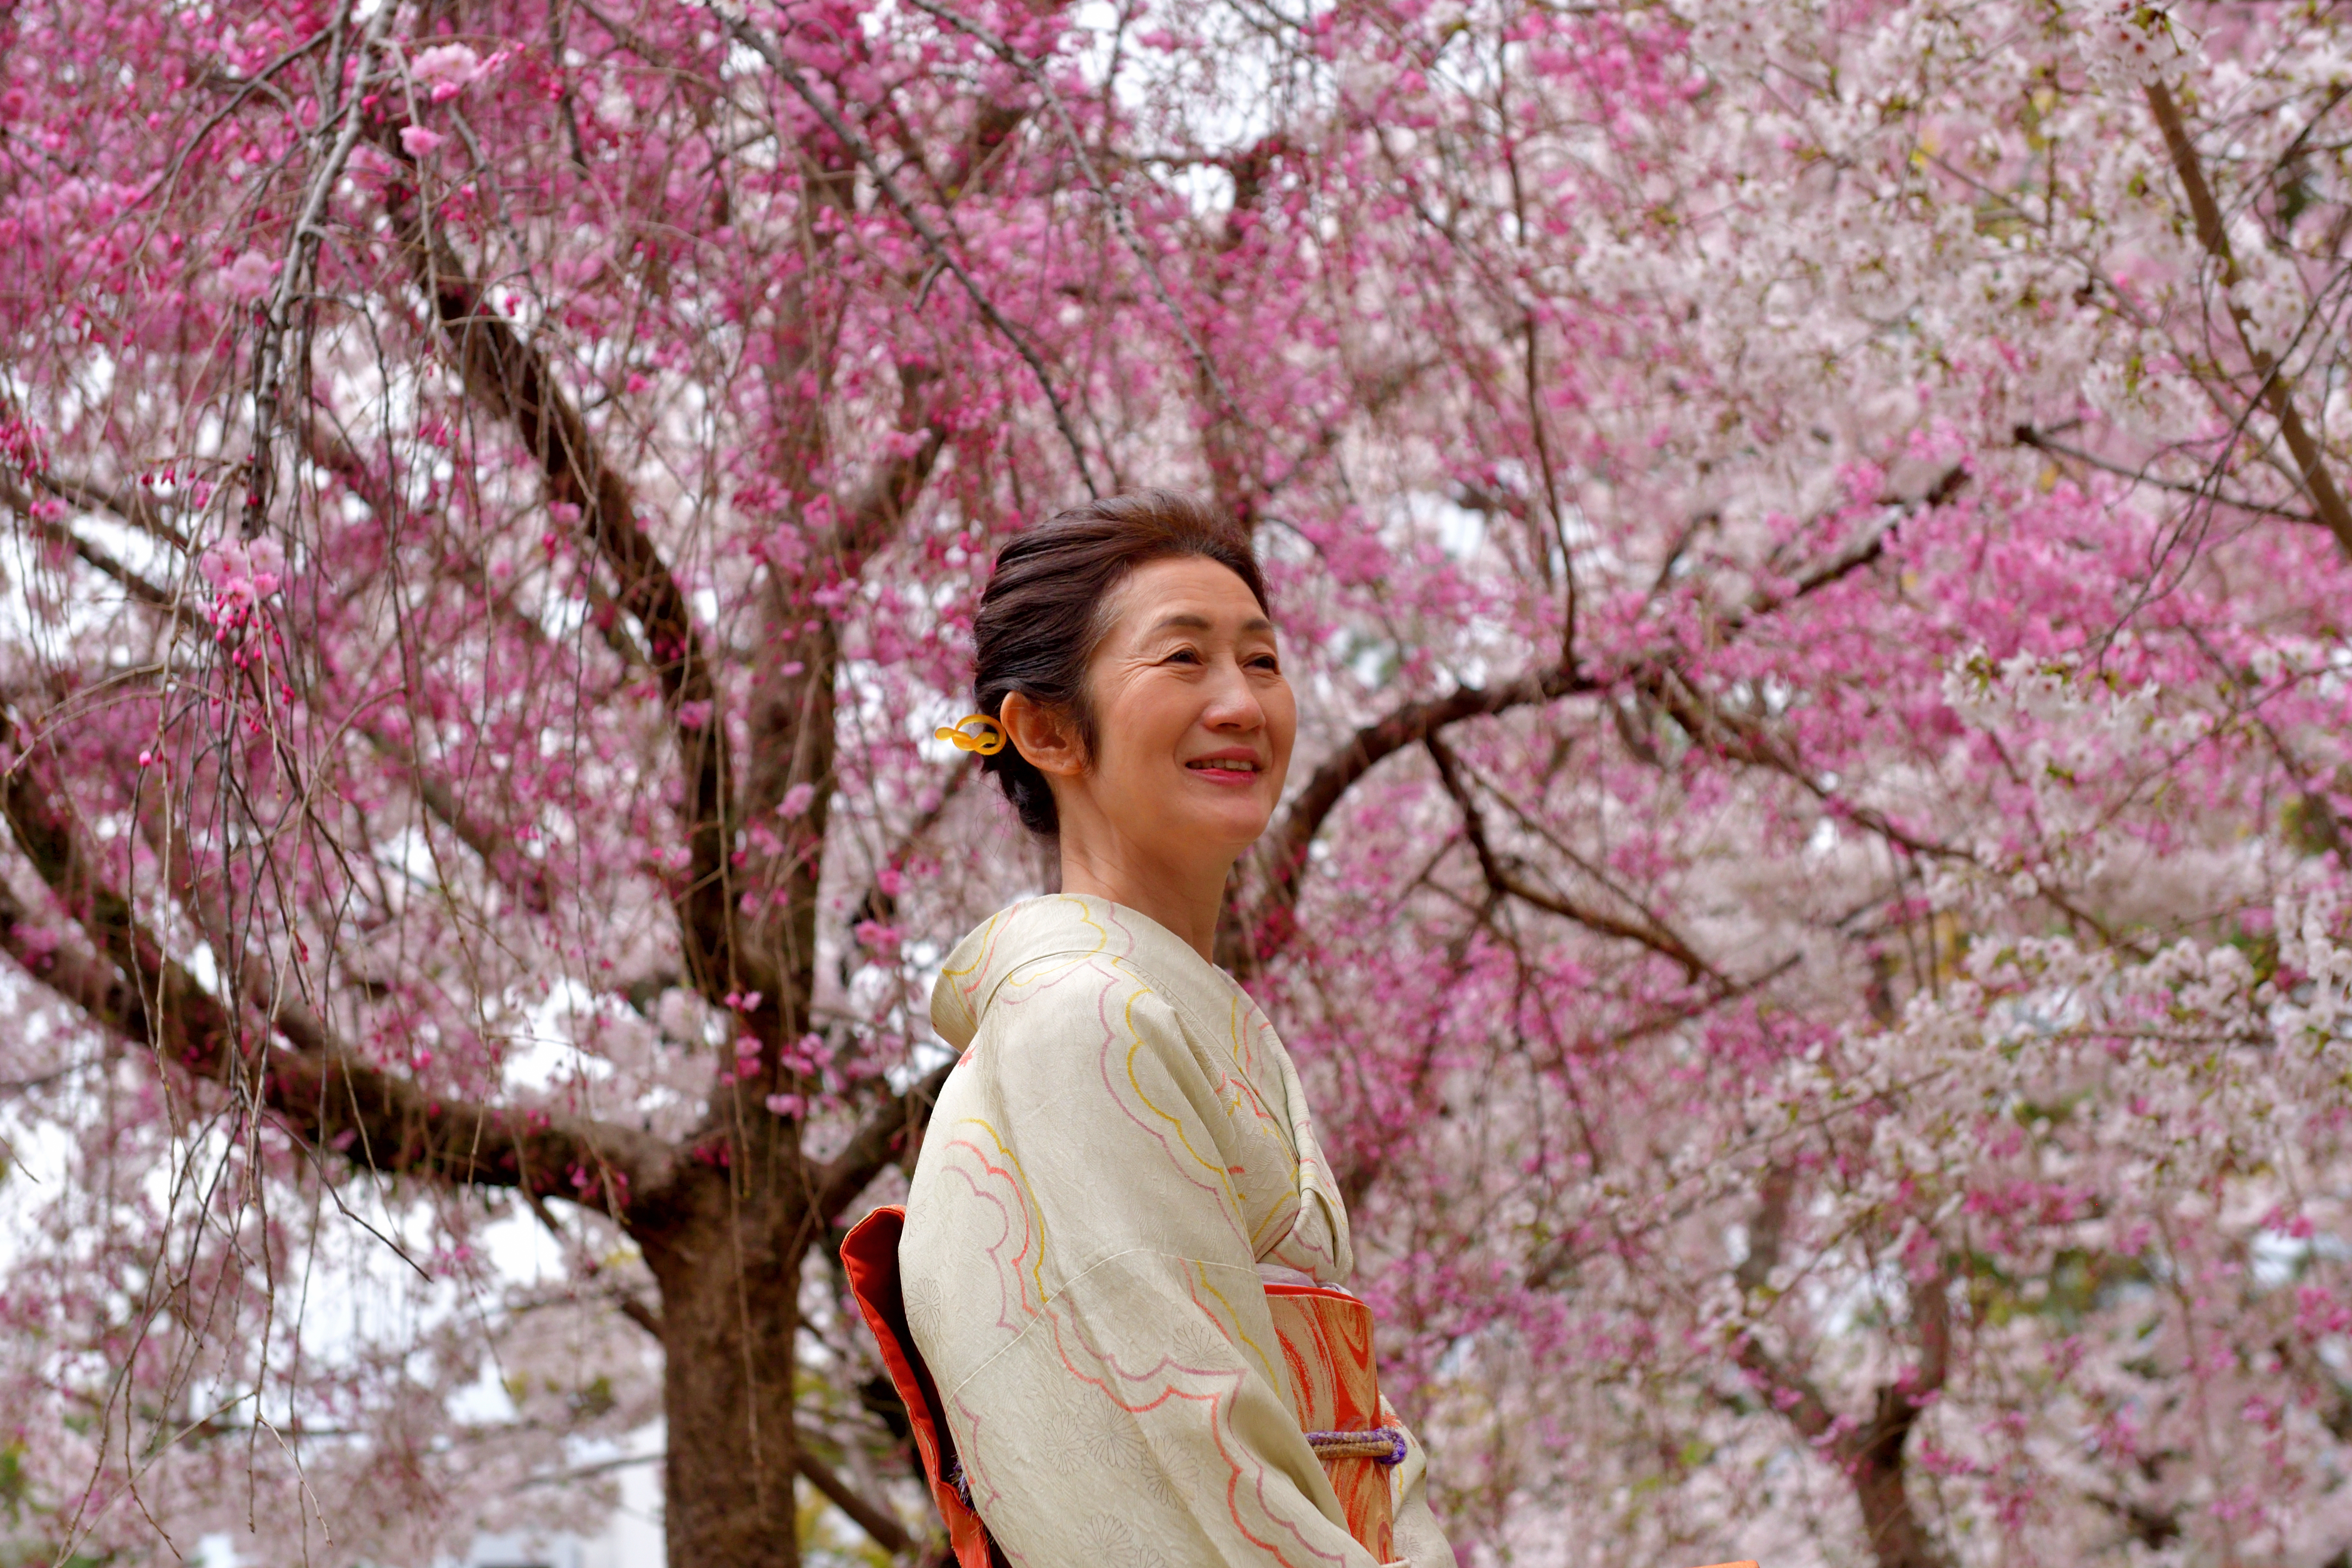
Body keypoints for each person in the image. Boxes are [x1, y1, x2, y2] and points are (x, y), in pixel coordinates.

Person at [866, 491, 1452, 1567]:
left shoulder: (1193, 1023)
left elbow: (1363, 1448)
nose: (1240, 703)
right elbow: (1191, 1451)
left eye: (1263, 661)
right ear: (1045, 728)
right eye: (1184, 659)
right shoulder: (1079, 1021)